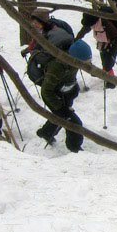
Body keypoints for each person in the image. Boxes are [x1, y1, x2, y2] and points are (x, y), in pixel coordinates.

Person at [27, 9, 83, 152]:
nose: (35, 25)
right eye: (33, 23)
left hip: (63, 82)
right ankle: (74, 148)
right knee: (70, 119)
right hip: (56, 83)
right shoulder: (58, 65)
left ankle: (46, 132)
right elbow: (47, 91)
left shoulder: (53, 33)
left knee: (63, 113)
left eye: (37, 22)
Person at [75, 7, 117, 89]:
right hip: (103, 43)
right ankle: (106, 74)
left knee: (108, 64)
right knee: (105, 62)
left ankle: (111, 82)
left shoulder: (104, 22)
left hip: (113, 43)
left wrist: (113, 48)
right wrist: (76, 39)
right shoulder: (92, 22)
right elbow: (84, 31)